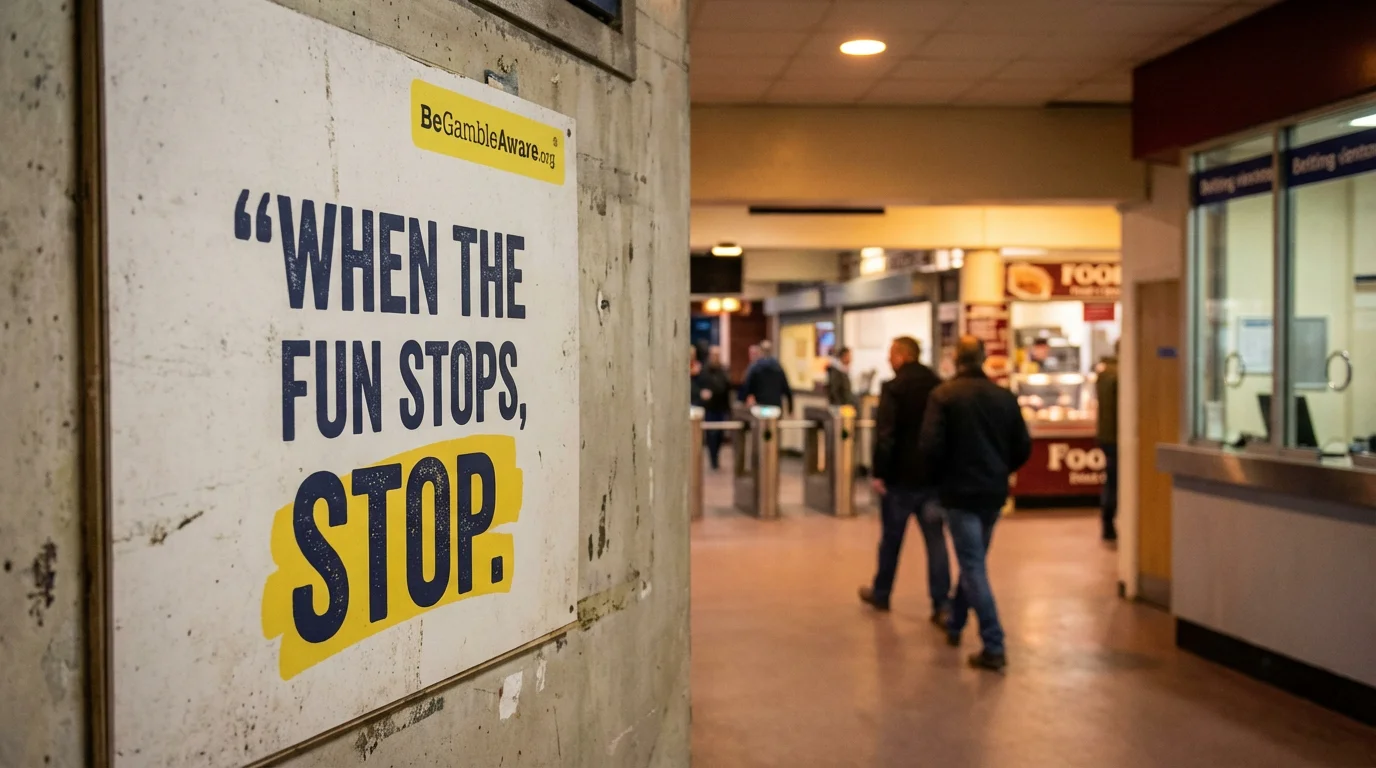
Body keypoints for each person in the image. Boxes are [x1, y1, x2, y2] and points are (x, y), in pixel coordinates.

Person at [919, 335, 1031, 672]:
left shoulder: (943, 396)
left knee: (972, 566)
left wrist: (938, 480)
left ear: (955, 358)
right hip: (993, 493)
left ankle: (993, 644)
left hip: (959, 493)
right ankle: (955, 624)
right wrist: (1000, 470)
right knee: (974, 560)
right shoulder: (1003, 397)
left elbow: (930, 446)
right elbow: (1023, 446)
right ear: (982, 358)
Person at [858, 337, 948, 625]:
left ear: (900, 355)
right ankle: (941, 603)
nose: (888, 359)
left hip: (899, 478)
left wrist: (879, 473)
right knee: (936, 541)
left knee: (891, 540)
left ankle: (882, 592)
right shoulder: (939, 386)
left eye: (890, 353)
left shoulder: (893, 388)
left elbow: (886, 435)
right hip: (932, 477)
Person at [1096, 342, 1120, 542]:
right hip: (1117, 437)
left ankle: (1107, 523)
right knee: (1115, 483)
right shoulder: (1120, 376)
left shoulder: (1104, 374)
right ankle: (1109, 525)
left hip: (1105, 435)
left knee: (1110, 481)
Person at [695, 346, 732, 470]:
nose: (715, 358)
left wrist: (728, 409)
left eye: (717, 355)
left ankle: (716, 456)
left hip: (720, 407)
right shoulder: (704, 371)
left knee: (719, 435)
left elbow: (726, 388)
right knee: (711, 434)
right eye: (714, 355)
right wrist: (702, 394)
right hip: (709, 408)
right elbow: (699, 387)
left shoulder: (723, 371)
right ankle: (713, 459)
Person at [741, 340, 793, 413]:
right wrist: (791, 408)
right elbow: (786, 388)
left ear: (760, 351)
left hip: (760, 405)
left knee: (761, 423)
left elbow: (747, 386)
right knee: (774, 423)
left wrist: (743, 400)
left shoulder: (755, 367)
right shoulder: (778, 367)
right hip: (776, 406)